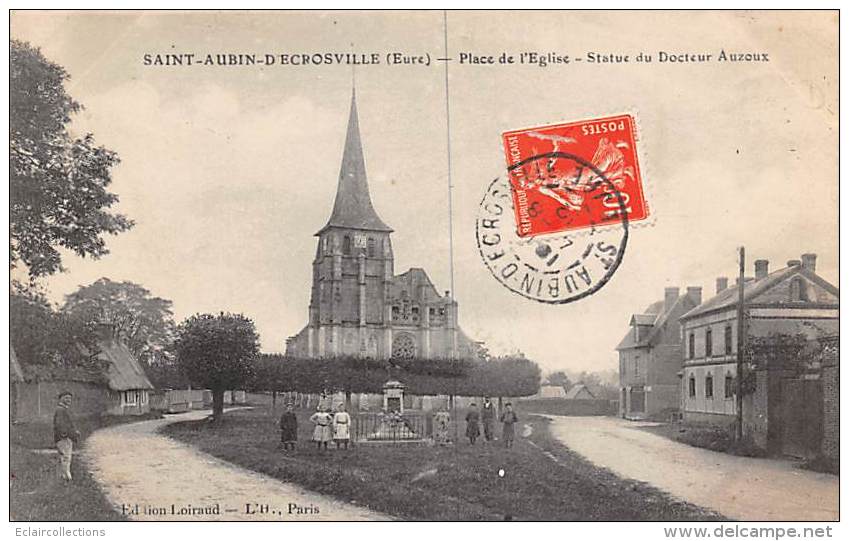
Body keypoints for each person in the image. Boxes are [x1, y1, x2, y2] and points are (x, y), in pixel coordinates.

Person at [53, 391, 81, 482]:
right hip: (63, 439)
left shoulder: (63, 409)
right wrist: (66, 434)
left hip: (64, 437)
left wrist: (74, 432)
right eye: (66, 398)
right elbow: (60, 425)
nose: (69, 400)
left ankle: (62, 477)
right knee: (65, 457)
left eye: (70, 398)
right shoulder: (61, 410)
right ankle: (66, 478)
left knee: (63, 457)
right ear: (61, 398)